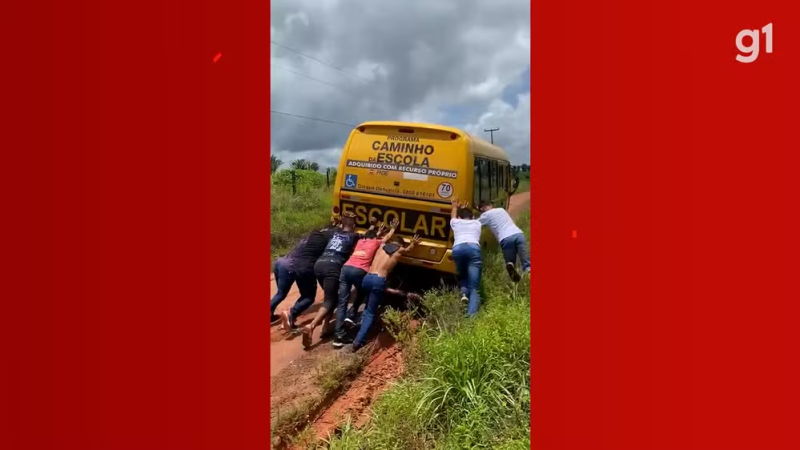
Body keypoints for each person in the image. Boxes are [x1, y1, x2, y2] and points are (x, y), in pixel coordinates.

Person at [300, 214, 366, 348]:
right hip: (333, 266)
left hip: (319, 265)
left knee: (332, 298)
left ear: (341, 225)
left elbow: (332, 228)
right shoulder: (354, 236)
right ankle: (311, 326)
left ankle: (325, 328)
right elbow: (369, 236)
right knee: (330, 300)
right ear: (353, 226)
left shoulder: (334, 233)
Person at [332, 219, 399, 348]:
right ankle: (354, 315)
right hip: (359, 271)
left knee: (342, 302)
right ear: (375, 237)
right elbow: (386, 238)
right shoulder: (376, 242)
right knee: (364, 291)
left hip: (345, 269)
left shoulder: (360, 241)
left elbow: (369, 233)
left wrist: (375, 228)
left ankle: (338, 335)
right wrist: (393, 229)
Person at [351, 233, 420, 351]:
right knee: (370, 312)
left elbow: (384, 239)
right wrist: (413, 242)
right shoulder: (399, 250)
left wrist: (392, 230)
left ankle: (354, 320)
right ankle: (358, 341)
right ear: (401, 244)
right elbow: (408, 250)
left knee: (366, 303)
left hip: (367, 278)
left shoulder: (381, 246)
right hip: (378, 280)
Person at [279, 217, 341, 332]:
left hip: (297, 265)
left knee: (304, 294)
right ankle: (290, 313)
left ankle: (290, 318)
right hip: (308, 267)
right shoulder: (330, 237)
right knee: (309, 297)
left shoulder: (315, 233)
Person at [477, 201, 530, 282]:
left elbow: (474, 223)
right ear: (491, 205)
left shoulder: (485, 215)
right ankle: (528, 275)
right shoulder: (501, 210)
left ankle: (512, 272)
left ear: (482, 208)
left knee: (510, 263)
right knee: (526, 263)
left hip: (506, 238)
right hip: (519, 234)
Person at [449, 197, 483, 317]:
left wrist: (455, 207)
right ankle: (471, 317)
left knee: (462, 273)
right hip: (473, 249)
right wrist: (464, 209)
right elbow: (467, 218)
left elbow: (453, 215)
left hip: (458, 249)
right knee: (474, 287)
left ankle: (463, 293)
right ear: (472, 217)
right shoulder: (477, 223)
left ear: (459, 217)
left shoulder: (456, 222)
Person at [270, 235, 309, 324]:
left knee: (280, 293)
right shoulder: (314, 243)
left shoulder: (303, 240)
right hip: (289, 266)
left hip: (280, 262)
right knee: (281, 294)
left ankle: (270, 315)